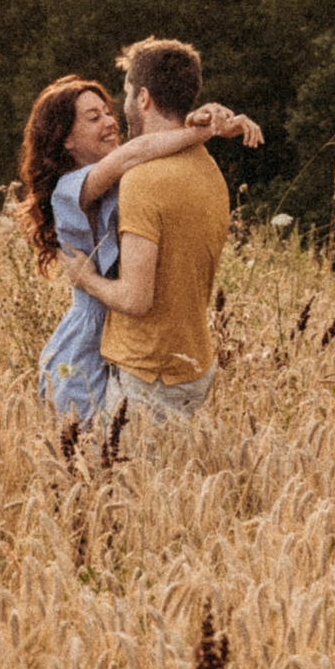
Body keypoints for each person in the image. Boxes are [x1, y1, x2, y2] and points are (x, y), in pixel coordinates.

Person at [18, 75, 257, 420]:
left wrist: (199, 117)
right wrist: (208, 131)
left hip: (125, 336)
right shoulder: (70, 189)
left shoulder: (119, 177)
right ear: (66, 139)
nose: (109, 121)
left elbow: (153, 142)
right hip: (85, 347)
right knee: (90, 449)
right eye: (93, 118)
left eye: (107, 112)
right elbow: (137, 152)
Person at [60, 37, 241, 419]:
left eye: (126, 94)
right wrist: (205, 127)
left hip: (147, 373)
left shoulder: (143, 181)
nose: (118, 111)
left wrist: (85, 279)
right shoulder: (209, 170)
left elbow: (136, 299)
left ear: (142, 98)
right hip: (192, 365)